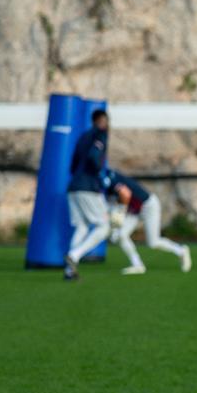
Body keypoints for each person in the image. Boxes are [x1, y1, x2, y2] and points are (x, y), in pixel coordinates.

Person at [105, 170, 191, 275]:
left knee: (153, 242)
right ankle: (137, 264)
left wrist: (120, 214)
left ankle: (181, 251)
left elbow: (125, 194)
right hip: (135, 209)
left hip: (148, 205)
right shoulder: (101, 177)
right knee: (121, 235)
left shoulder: (107, 177)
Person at [64, 109, 111, 280]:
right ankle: (75, 255)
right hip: (88, 187)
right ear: (100, 121)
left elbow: (73, 163)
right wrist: (98, 174)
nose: (106, 124)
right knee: (104, 227)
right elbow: (94, 157)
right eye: (105, 121)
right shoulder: (100, 134)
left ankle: (69, 271)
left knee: (82, 227)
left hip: (74, 186)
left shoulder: (83, 136)